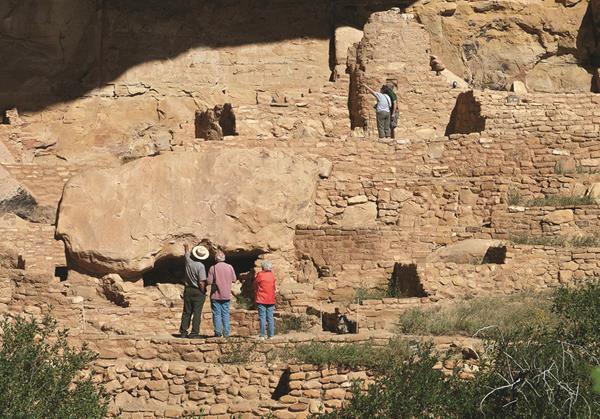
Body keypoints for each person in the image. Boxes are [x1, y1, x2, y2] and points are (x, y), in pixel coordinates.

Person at [178, 243, 209, 339]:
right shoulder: (201, 266)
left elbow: (186, 254)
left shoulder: (188, 262)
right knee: (197, 313)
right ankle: (194, 333)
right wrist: (203, 291)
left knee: (186, 312)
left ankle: (183, 332)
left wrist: (186, 247)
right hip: (197, 291)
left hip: (188, 290)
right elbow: (201, 282)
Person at [207, 250, 237, 337]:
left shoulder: (213, 268)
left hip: (215, 295)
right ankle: (226, 333)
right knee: (226, 313)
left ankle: (218, 333)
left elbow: (209, 282)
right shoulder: (230, 267)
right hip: (226, 294)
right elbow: (234, 279)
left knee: (216, 314)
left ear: (216, 259)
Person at [255, 261, 276, 339]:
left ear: (263, 267)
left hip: (262, 299)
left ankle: (262, 335)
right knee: (270, 317)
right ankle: (271, 335)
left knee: (262, 317)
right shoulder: (272, 275)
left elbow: (255, 283)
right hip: (271, 299)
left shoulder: (260, 275)